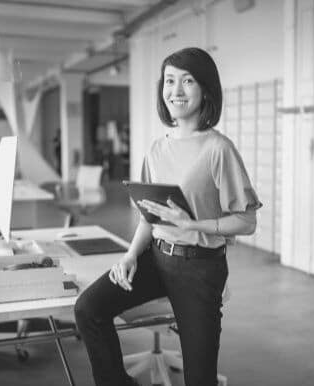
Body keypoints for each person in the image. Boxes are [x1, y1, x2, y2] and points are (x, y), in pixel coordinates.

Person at [74, 47, 262, 386]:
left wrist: (194, 224)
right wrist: (131, 255)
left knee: (199, 379)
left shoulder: (218, 149)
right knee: (89, 309)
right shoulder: (156, 149)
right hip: (157, 259)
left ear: (205, 90)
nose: (176, 91)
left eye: (187, 81)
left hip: (200, 269)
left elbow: (247, 221)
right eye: (170, 81)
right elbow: (150, 216)